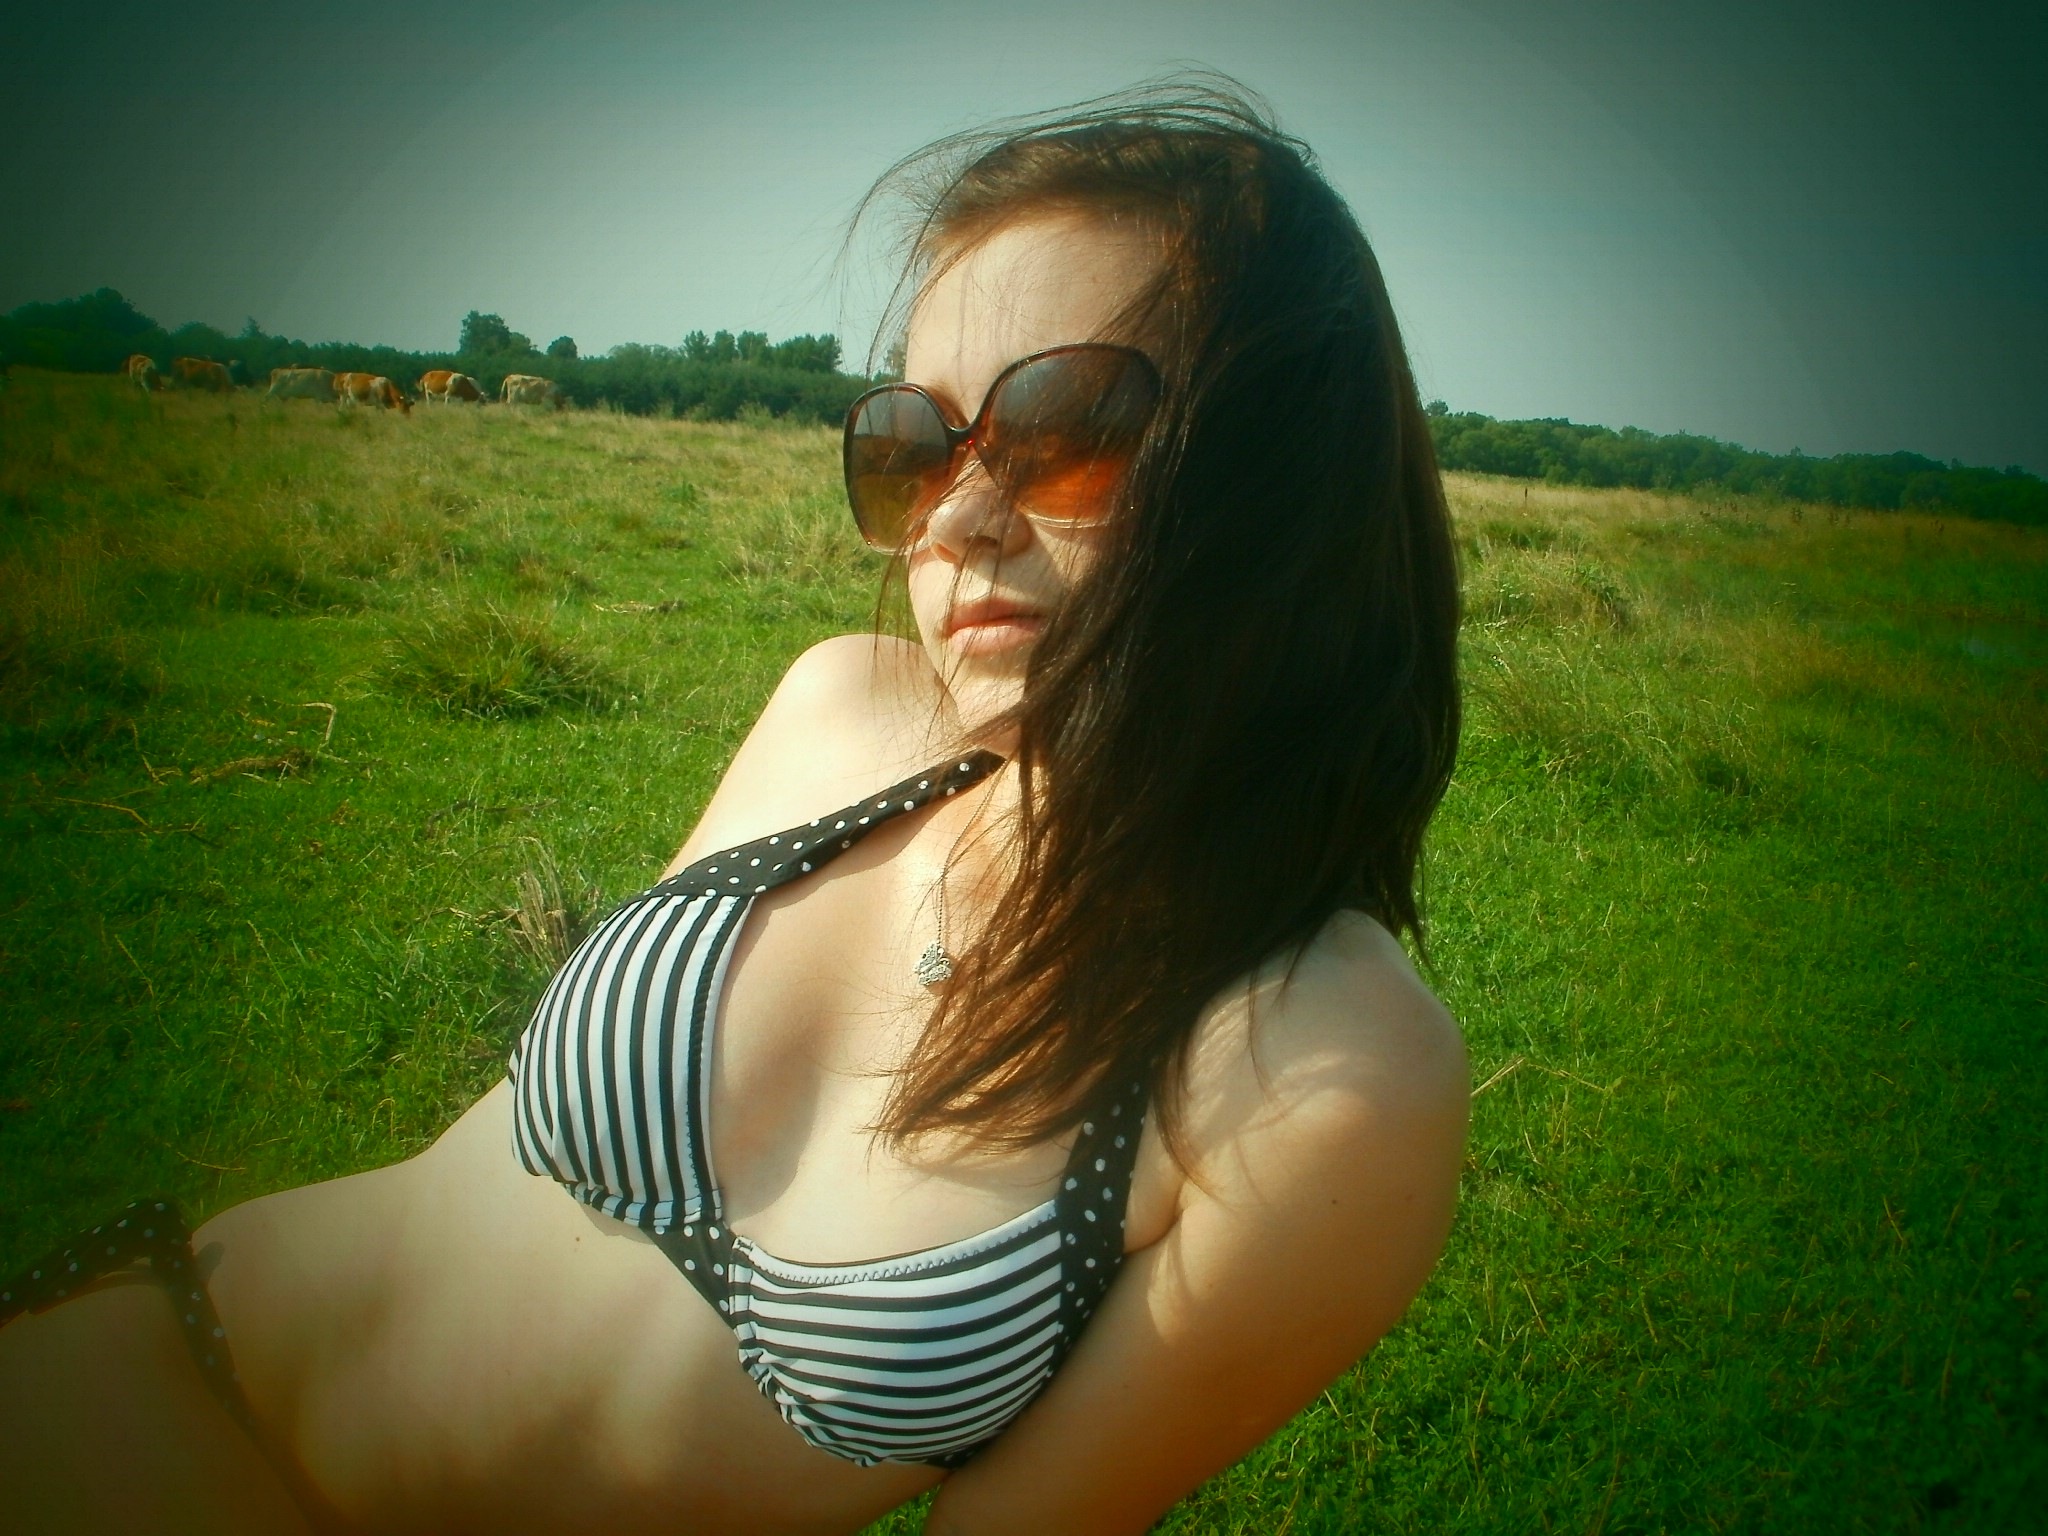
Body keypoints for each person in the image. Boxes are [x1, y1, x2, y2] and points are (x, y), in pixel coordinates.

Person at [0, 81, 1468, 1534]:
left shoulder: (1326, 1076)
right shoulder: (849, 710)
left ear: (1284, 467)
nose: (955, 519)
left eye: (1065, 424)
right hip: (142, 1360)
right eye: (914, 443)